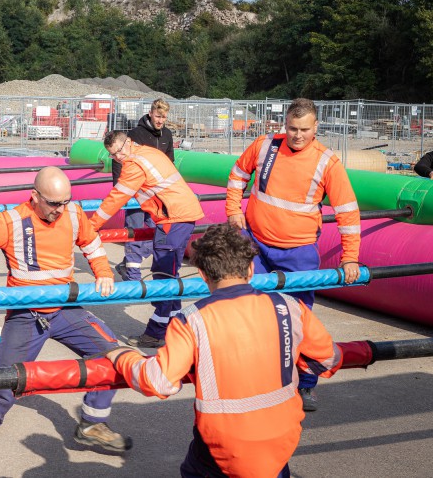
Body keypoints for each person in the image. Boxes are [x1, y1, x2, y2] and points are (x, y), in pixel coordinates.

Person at [106, 223, 344, 478]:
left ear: (203, 275)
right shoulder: (289, 306)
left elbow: (158, 381)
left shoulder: (192, 320)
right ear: (251, 269)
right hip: (281, 435)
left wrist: (122, 356)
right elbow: (329, 359)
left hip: (225, 444)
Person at [0, 167, 131, 453]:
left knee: (113, 355)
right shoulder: (11, 220)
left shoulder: (72, 213)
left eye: (66, 201)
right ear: (34, 196)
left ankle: (91, 424)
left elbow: (92, 243)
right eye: (53, 203)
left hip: (66, 309)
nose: (60, 209)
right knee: (7, 377)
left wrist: (103, 272)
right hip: (26, 314)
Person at [225, 98, 360, 412]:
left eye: (304, 129)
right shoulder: (264, 146)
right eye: (292, 128)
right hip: (256, 245)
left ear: (316, 128)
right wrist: (233, 211)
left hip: (298, 253)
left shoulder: (327, 162)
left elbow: (348, 213)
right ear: (283, 125)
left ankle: (307, 385)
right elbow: (236, 177)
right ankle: (256, 377)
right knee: (250, 310)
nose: (297, 135)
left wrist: (350, 257)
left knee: (300, 320)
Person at [92, 130, 204, 348]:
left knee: (163, 277)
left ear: (128, 143)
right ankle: (176, 327)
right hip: (180, 215)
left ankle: (156, 332)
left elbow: (116, 198)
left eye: (118, 152)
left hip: (173, 218)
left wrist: (91, 226)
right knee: (170, 275)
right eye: (113, 156)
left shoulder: (134, 164)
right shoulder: (148, 153)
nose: (118, 158)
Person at [111, 98, 174, 282]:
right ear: (150, 113)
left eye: (164, 117)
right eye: (157, 116)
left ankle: (127, 262)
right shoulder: (135, 134)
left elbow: (170, 163)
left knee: (159, 232)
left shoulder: (167, 135)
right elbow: (119, 160)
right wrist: (120, 188)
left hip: (156, 194)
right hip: (136, 193)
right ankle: (132, 277)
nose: (160, 120)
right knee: (135, 230)